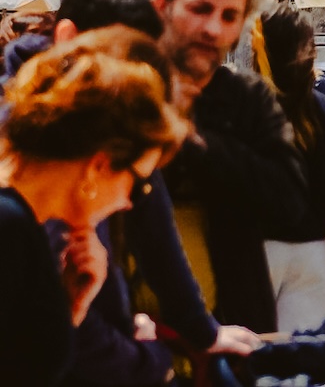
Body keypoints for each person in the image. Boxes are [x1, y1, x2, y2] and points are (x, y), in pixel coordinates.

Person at [0, 28, 186, 387]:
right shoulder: (10, 228)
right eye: (138, 181)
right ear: (97, 167)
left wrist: (71, 305)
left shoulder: (21, 223)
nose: (130, 201)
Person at [150, 0, 310, 332]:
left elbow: (290, 204)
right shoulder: (123, 87)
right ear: (161, 6)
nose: (213, 30)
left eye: (228, 16)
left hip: (234, 325)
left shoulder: (247, 97)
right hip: (130, 336)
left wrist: (195, 142)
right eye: (200, 9)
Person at [252, 3, 325, 330]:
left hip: (251, 252)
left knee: (249, 359)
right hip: (309, 253)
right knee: (303, 360)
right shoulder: (318, 109)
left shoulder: (241, 105)